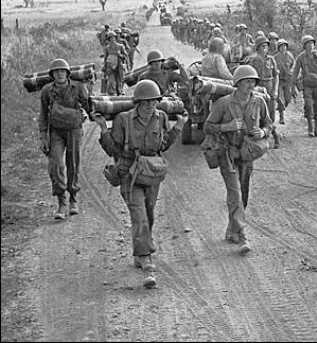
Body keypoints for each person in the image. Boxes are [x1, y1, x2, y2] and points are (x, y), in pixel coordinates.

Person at [92, 80, 188, 289]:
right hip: (129, 174)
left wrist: (179, 126)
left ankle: (140, 251)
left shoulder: (161, 117)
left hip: (151, 173)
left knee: (149, 213)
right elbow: (112, 150)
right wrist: (102, 128)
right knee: (139, 215)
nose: (149, 105)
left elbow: (163, 145)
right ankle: (146, 259)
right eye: (145, 102)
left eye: (153, 101)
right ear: (137, 102)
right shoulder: (123, 119)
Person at [203, 65, 273, 255]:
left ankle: (232, 229)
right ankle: (243, 236)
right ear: (238, 83)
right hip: (227, 153)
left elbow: (269, 123)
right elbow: (208, 126)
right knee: (235, 194)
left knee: (243, 194)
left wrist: (263, 131)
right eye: (247, 82)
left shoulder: (259, 102)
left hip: (247, 154)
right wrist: (227, 127)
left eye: (253, 82)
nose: (251, 85)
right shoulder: (223, 103)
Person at [38, 58, 90, 219]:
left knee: (73, 164)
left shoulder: (78, 87)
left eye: (62, 71)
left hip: (74, 130)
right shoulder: (47, 90)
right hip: (56, 132)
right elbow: (43, 115)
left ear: (68, 73)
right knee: (56, 165)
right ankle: (62, 201)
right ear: (52, 74)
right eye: (56, 71)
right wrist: (43, 137)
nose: (59, 74)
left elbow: (89, 106)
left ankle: (73, 198)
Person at [291, 34, 317, 137]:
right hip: (307, 85)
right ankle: (310, 128)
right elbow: (295, 72)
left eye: (312, 43)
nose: (311, 45)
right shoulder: (301, 57)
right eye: (308, 44)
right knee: (308, 105)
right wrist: (293, 86)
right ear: (304, 46)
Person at [248, 36, 281, 148]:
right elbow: (251, 77)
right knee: (260, 114)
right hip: (259, 88)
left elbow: (276, 76)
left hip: (270, 86)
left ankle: (275, 135)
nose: (265, 48)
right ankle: (272, 134)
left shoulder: (271, 59)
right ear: (258, 48)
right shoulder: (254, 61)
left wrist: (276, 90)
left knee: (271, 113)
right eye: (263, 46)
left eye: (266, 46)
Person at [273, 39, 296, 125]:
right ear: (278, 48)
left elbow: (294, 65)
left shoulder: (290, 56)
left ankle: (281, 107)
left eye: (284, 46)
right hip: (279, 80)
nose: (283, 48)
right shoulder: (275, 58)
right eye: (281, 46)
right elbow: (273, 68)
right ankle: (281, 116)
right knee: (280, 98)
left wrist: (291, 71)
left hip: (287, 80)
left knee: (288, 98)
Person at [102, 31, 128, 95]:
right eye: (110, 38)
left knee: (119, 80)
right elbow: (105, 58)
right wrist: (104, 67)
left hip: (119, 65)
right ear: (108, 39)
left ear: (116, 38)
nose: (112, 39)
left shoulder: (120, 46)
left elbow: (125, 56)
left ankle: (120, 92)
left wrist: (120, 55)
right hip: (110, 65)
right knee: (111, 81)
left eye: (113, 38)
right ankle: (112, 94)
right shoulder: (107, 48)